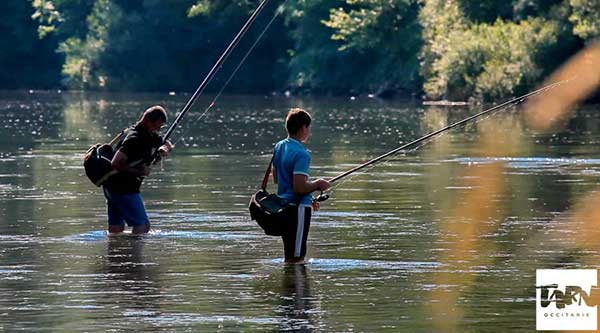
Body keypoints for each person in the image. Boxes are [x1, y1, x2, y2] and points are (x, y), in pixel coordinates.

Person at [272, 108, 331, 263]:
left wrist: (310, 197)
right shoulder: (301, 153)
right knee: (296, 259)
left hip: (282, 206)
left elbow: (277, 179)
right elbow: (299, 188)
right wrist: (318, 184)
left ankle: (292, 286)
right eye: (309, 127)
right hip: (297, 210)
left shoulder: (279, 146)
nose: (309, 131)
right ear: (304, 128)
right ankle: (296, 287)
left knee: (290, 255)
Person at [103, 105, 173, 234]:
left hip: (110, 186)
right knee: (143, 226)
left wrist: (165, 148)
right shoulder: (134, 138)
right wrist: (140, 172)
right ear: (147, 120)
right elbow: (115, 163)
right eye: (156, 126)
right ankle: (134, 254)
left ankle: (115, 252)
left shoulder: (146, 134)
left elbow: (165, 142)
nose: (158, 129)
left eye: (160, 127)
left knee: (116, 228)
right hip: (123, 187)